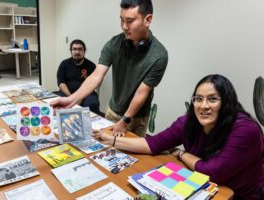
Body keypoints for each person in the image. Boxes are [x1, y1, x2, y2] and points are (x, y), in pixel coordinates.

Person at [92, 74, 264, 200]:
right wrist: (110, 139)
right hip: (199, 186)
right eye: (198, 99)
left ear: (227, 103)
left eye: (212, 99)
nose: (203, 106)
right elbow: (153, 144)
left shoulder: (246, 130)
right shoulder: (189, 120)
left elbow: (213, 172)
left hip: (238, 195)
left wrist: (181, 154)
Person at [51, 0, 168, 137]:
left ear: (147, 20)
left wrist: (125, 120)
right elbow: (96, 76)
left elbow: (142, 92)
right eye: (121, 20)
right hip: (113, 111)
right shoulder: (113, 44)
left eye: (130, 21)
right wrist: (71, 101)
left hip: (137, 118)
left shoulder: (159, 55)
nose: (124, 27)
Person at [56, 39, 100, 114]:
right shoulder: (64, 64)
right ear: (71, 51)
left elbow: (93, 84)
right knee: (56, 101)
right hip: (67, 93)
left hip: (87, 94)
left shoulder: (91, 65)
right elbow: (61, 83)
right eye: (74, 49)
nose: (77, 52)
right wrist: (72, 98)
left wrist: (80, 97)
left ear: (84, 51)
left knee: (93, 104)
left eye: (80, 49)